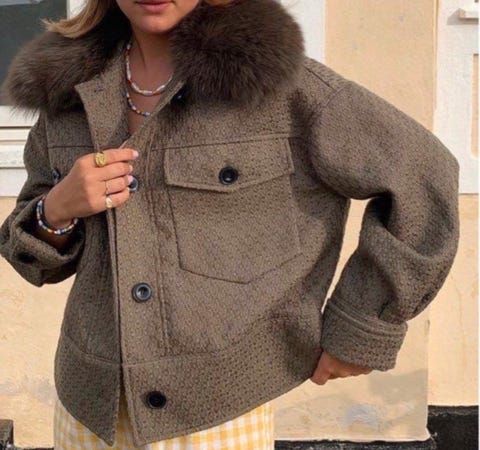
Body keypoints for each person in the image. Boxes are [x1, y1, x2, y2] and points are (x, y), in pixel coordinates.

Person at [0, 0, 460, 448]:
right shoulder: (68, 93)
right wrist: (55, 211)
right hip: (88, 408)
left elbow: (424, 177)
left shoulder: (280, 87)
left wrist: (360, 328)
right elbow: (36, 260)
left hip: (216, 416)